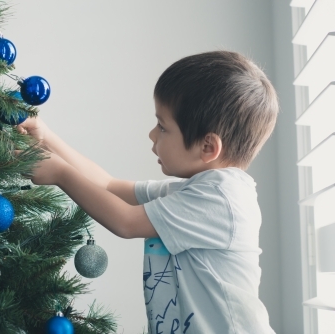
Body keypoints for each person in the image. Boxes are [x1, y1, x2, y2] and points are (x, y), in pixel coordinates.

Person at [16, 50, 278, 333]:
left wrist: (59, 173)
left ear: (207, 147)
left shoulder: (222, 199)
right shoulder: (197, 191)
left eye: (163, 127)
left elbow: (126, 222)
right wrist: (48, 139)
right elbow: (110, 186)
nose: (152, 135)